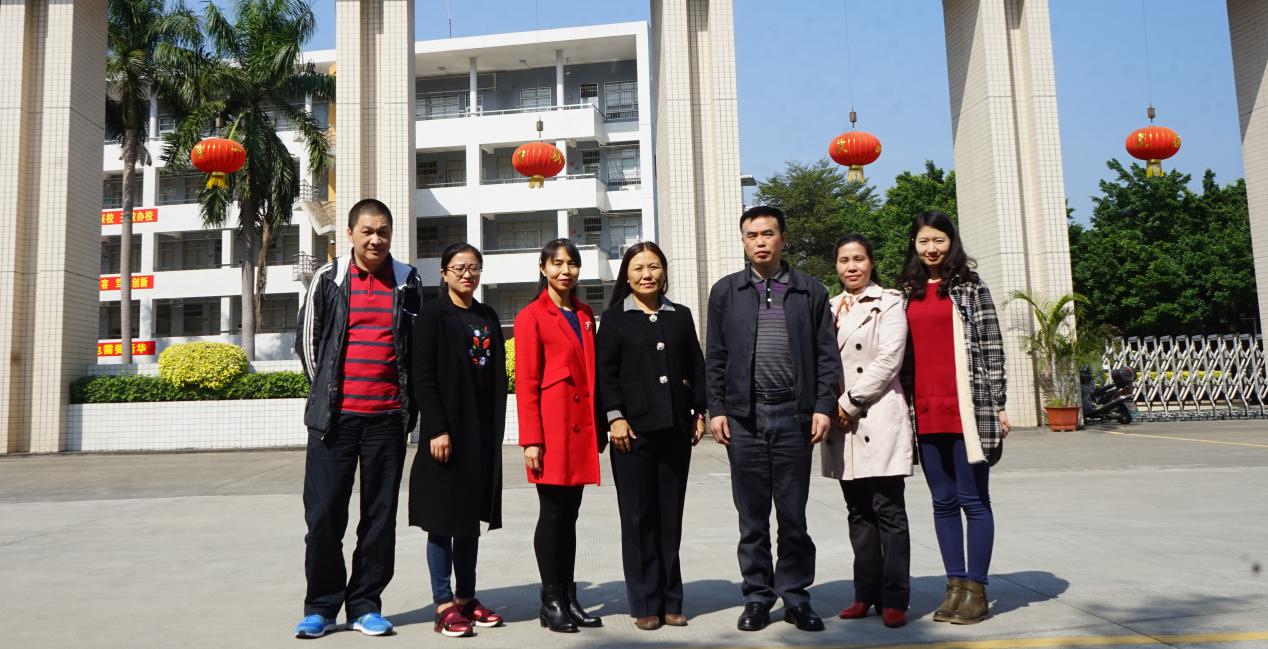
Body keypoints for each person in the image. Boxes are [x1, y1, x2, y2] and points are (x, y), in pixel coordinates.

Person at [705, 205, 841, 633]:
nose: (760, 242)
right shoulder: (726, 292)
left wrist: (822, 406)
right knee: (752, 518)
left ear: (783, 238)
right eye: (752, 235)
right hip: (744, 419)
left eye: (768, 234)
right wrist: (717, 409)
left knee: (793, 515)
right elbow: (716, 357)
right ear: (743, 242)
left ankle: (796, 596)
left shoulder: (810, 291)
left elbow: (827, 356)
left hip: (793, 417)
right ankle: (758, 597)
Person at [294, 198, 424, 638]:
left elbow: (414, 346)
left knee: (379, 517)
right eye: (367, 231)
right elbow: (308, 342)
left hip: (387, 420)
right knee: (324, 516)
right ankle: (321, 607)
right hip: (335, 421)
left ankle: (366, 604)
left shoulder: (407, 280)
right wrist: (328, 393)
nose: (375, 239)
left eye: (383, 231)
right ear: (349, 234)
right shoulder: (329, 278)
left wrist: (408, 408)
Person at [898, 210, 1010, 625]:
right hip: (924, 409)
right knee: (942, 501)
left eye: (939, 240)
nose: (932, 249)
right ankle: (955, 586)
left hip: (967, 408)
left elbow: (992, 346)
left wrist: (998, 403)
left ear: (952, 242)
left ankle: (976, 590)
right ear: (914, 245)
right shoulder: (906, 292)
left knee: (973, 500)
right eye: (924, 241)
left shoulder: (970, 287)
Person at [596, 242, 707, 631]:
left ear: (664, 272)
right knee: (638, 517)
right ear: (626, 276)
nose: (647, 274)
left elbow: (696, 365)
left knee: (670, 517)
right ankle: (645, 601)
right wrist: (615, 417)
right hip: (632, 434)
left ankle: (672, 600)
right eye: (639, 268)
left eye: (654, 266)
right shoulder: (614, 319)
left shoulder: (680, 315)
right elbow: (606, 373)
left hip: (675, 430)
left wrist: (699, 411)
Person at [409, 243, 507, 638]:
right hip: (446, 433)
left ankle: (466, 599)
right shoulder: (433, 314)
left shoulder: (487, 316)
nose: (468, 274)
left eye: (474, 267)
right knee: (441, 521)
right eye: (460, 267)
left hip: (479, 434)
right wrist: (436, 428)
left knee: (468, 522)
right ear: (445, 273)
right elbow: (422, 374)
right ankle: (443, 604)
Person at [822, 234, 913, 629]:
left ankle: (895, 598)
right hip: (841, 424)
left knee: (889, 511)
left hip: (875, 413)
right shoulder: (828, 307)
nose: (851, 267)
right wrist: (829, 405)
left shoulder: (889, 302)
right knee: (858, 513)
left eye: (858, 259)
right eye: (844, 260)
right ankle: (865, 594)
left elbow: (889, 359)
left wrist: (850, 402)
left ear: (871, 262)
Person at [514, 238, 605, 633]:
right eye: (557, 263)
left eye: (571, 263)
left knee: (570, 515)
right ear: (543, 268)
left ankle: (569, 596)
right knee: (552, 515)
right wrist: (531, 439)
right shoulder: (531, 316)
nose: (565, 271)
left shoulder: (584, 313)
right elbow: (527, 382)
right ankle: (551, 600)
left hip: (581, 428)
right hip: (551, 431)